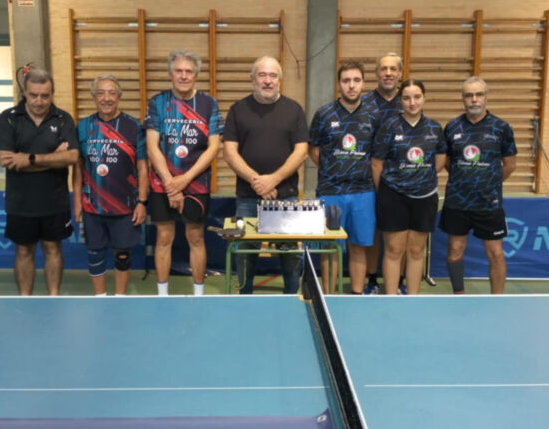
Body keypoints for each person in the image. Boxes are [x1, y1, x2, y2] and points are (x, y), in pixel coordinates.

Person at [224, 55, 308, 294]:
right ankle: (245, 296)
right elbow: (230, 153)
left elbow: (301, 152)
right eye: (262, 75)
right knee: (244, 253)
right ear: (253, 79)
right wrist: (257, 181)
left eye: (273, 75)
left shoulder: (294, 110)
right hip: (247, 198)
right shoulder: (238, 110)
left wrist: (274, 179)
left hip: (286, 196)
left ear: (280, 80)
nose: (268, 81)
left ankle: (292, 297)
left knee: (290, 254)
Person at [0, 68, 79, 295]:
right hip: (20, 201)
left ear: (52, 94)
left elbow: (71, 157)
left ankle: (53, 297)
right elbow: (6, 160)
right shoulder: (8, 118)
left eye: (45, 95)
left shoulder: (63, 119)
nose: (39, 101)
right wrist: (54, 158)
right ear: (24, 92)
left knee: (53, 248)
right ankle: (25, 298)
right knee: (23, 250)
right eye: (33, 95)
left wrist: (29, 158)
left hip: (55, 200)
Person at [144, 50, 223, 296]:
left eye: (189, 71)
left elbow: (214, 148)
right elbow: (151, 146)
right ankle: (163, 294)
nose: (184, 76)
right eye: (179, 71)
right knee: (164, 237)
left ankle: (198, 294)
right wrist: (170, 183)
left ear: (196, 75)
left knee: (196, 237)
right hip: (162, 184)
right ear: (170, 73)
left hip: (196, 183)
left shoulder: (209, 104)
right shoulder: (157, 103)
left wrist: (185, 180)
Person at [439, 76, 517, 294]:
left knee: (496, 253)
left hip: (488, 203)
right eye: (469, 95)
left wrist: (489, 182)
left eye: (478, 94)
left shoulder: (501, 128)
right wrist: (463, 178)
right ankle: (459, 294)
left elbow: (510, 164)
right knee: (455, 249)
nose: (474, 99)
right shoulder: (452, 127)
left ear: (485, 98)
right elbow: (446, 159)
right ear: (463, 99)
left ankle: (497, 297)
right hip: (457, 201)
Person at [72, 74, 149, 296]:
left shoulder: (134, 126)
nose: (106, 98)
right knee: (95, 254)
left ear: (119, 96)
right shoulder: (84, 126)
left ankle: (120, 299)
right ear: (94, 96)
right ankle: (100, 299)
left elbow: (143, 168)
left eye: (112, 93)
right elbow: (78, 168)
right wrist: (77, 201)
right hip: (91, 205)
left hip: (125, 205)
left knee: (122, 255)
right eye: (101, 93)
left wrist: (142, 202)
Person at [371, 78, 446, 294]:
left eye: (417, 97)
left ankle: (413, 299)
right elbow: (377, 164)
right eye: (406, 98)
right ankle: (391, 297)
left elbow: (439, 161)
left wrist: (421, 177)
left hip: (425, 197)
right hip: (393, 196)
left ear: (424, 98)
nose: (412, 102)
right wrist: (384, 194)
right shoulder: (389, 127)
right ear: (400, 100)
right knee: (394, 249)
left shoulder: (434, 127)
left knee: (416, 250)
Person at [308, 61, 376, 294]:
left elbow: (377, 156)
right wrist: (335, 168)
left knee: (358, 246)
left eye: (356, 80)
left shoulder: (373, 116)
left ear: (363, 83)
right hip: (330, 191)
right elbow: (314, 151)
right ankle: (328, 296)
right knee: (330, 246)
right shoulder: (324, 114)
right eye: (346, 80)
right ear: (339, 84)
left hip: (363, 192)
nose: (351, 86)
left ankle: (356, 294)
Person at [362, 52, 404, 294]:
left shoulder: (408, 99)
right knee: (374, 231)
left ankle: (398, 282)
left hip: (403, 180)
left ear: (400, 73)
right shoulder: (365, 102)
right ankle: (372, 281)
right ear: (376, 73)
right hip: (368, 178)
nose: (388, 73)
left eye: (393, 69)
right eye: (383, 69)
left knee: (399, 235)